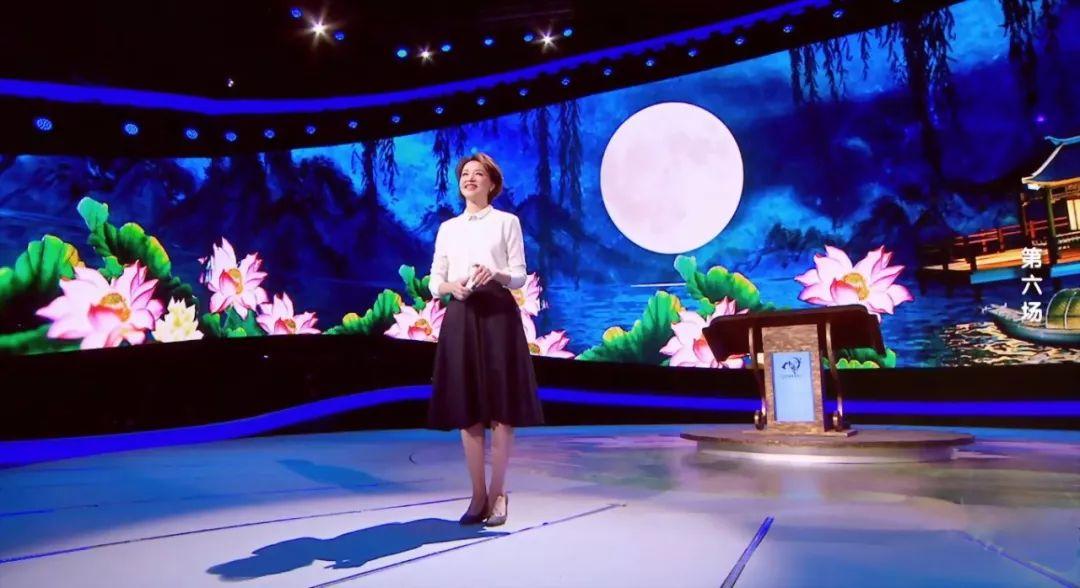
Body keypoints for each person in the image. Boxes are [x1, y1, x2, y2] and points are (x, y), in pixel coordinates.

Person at [428, 152, 544, 527]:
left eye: (478, 174)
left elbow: (520, 276)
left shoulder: (507, 222)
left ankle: (498, 494)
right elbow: (434, 280)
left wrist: (495, 273)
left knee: (501, 408)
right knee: (468, 409)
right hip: (462, 315)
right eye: (465, 174)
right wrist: (451, 287)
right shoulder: (449, 228)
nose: (470, 178)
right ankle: (477, 495)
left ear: (492, 184)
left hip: (497, 315)